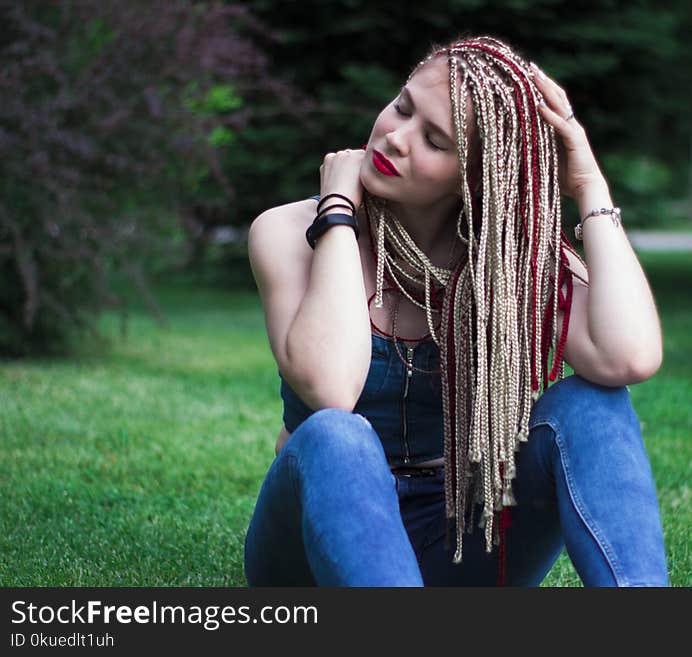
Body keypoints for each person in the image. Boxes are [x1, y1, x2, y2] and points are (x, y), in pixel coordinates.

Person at [244, 36, 669, 586]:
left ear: (475, 178)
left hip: (464, 540)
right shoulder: (287, 231)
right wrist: (339, 216)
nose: (395, 137)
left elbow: (628, 356)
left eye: (434, 140)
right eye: (401, 106)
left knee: (593, 405)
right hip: (313, 546)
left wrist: (588, 184)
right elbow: (332, 389)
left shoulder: (509, 267)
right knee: (336, 435)